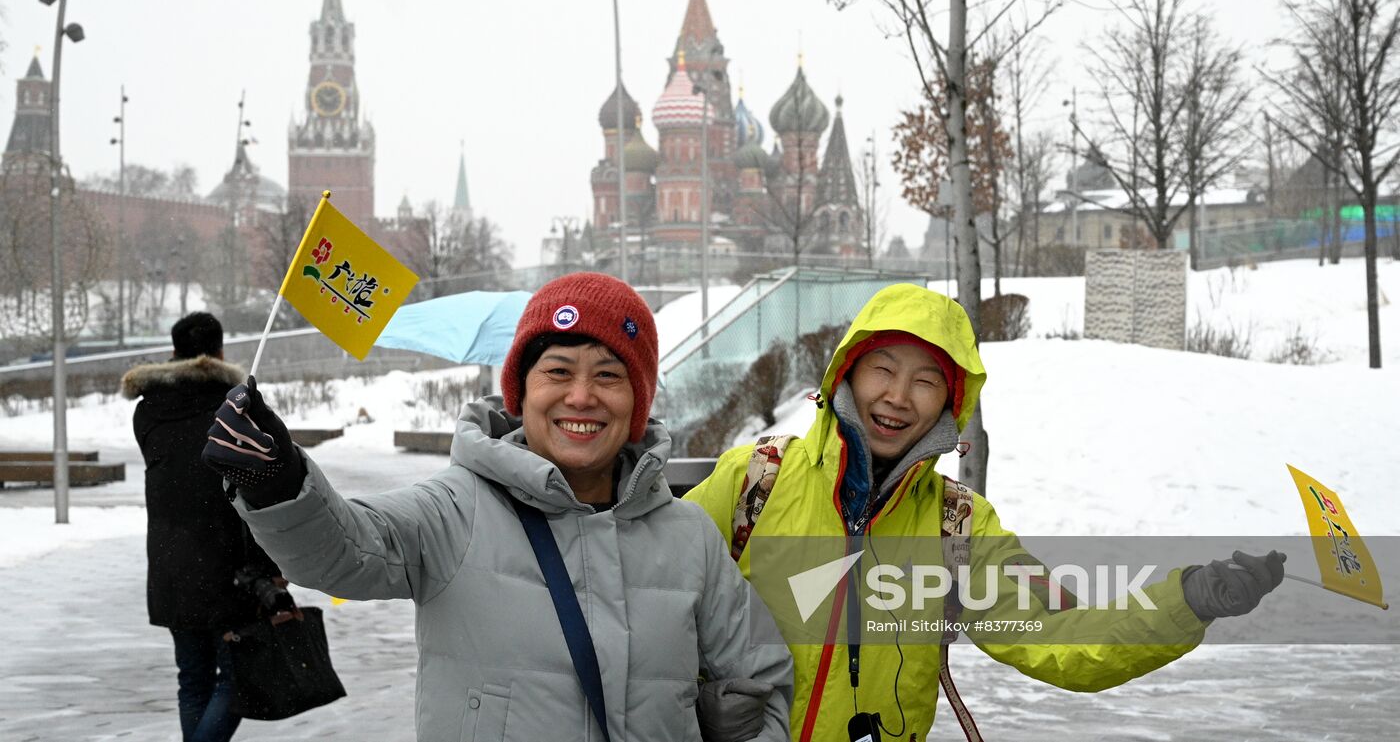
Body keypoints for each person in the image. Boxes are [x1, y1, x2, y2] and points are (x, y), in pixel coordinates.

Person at [201, 272, 793, 742]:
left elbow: (761, 680)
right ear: (522, 390)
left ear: (636, 401)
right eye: (557, 371)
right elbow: (345, 549)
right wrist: (280, 481)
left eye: (608, 376)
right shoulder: (458, 508)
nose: (581, 396)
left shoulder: (688, 537)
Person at [685, 284, 1286, 742]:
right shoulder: (753, 482)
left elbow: (1059, 636)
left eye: (925, 381)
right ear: (848, 372)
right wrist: (698, 699)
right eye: (883, 369)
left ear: (951, 401)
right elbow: (641, 607)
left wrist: (1192, 599)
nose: (897, 396)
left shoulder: (959, 526)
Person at [122, 312, 288, 742]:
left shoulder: (147, 413)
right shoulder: (237, 409)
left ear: (174, 352)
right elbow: (262, 484)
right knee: (234, 679)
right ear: (219, 351)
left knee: (192, 679)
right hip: (229, 563)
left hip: (170, 564)